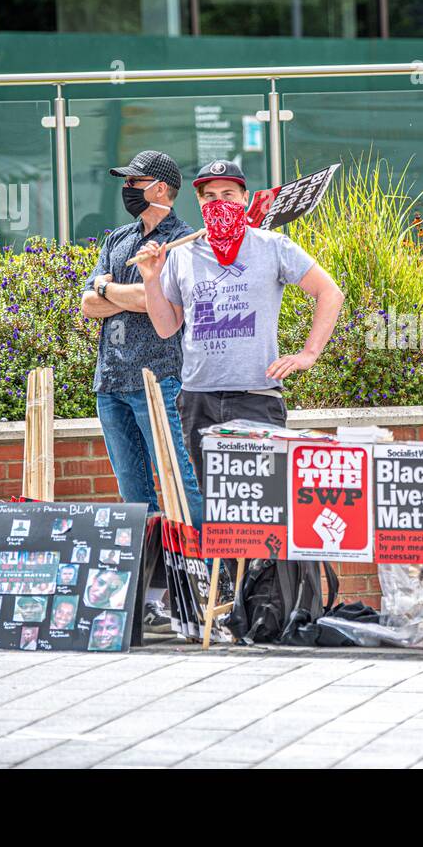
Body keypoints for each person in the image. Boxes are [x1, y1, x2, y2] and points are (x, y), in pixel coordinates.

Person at [137, 159, 344, 585]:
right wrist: (152, 279)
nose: (219, 203)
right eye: (209, 196)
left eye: (228, 194)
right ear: (199, 202)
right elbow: (166, 326)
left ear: (245, 197)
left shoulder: (272, 246)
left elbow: (329, 292)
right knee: (220, 510)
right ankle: (233, 601)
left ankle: (270, 601)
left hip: (256, 396)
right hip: (198, 398)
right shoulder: (181, 255)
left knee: (264, 506)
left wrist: (308, 354)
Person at [81, 150, 204, 636]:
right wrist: (120, 295)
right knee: (134, 495)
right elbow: (87, 304)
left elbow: (167, 305)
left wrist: (111, 291)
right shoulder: (118, 239)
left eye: (136, 181)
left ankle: (198, 584)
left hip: (161, 378)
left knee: (181, 485)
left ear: (160, 188)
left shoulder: (183, 242)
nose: (128, 187)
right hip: (110, 380)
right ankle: (152, 595)